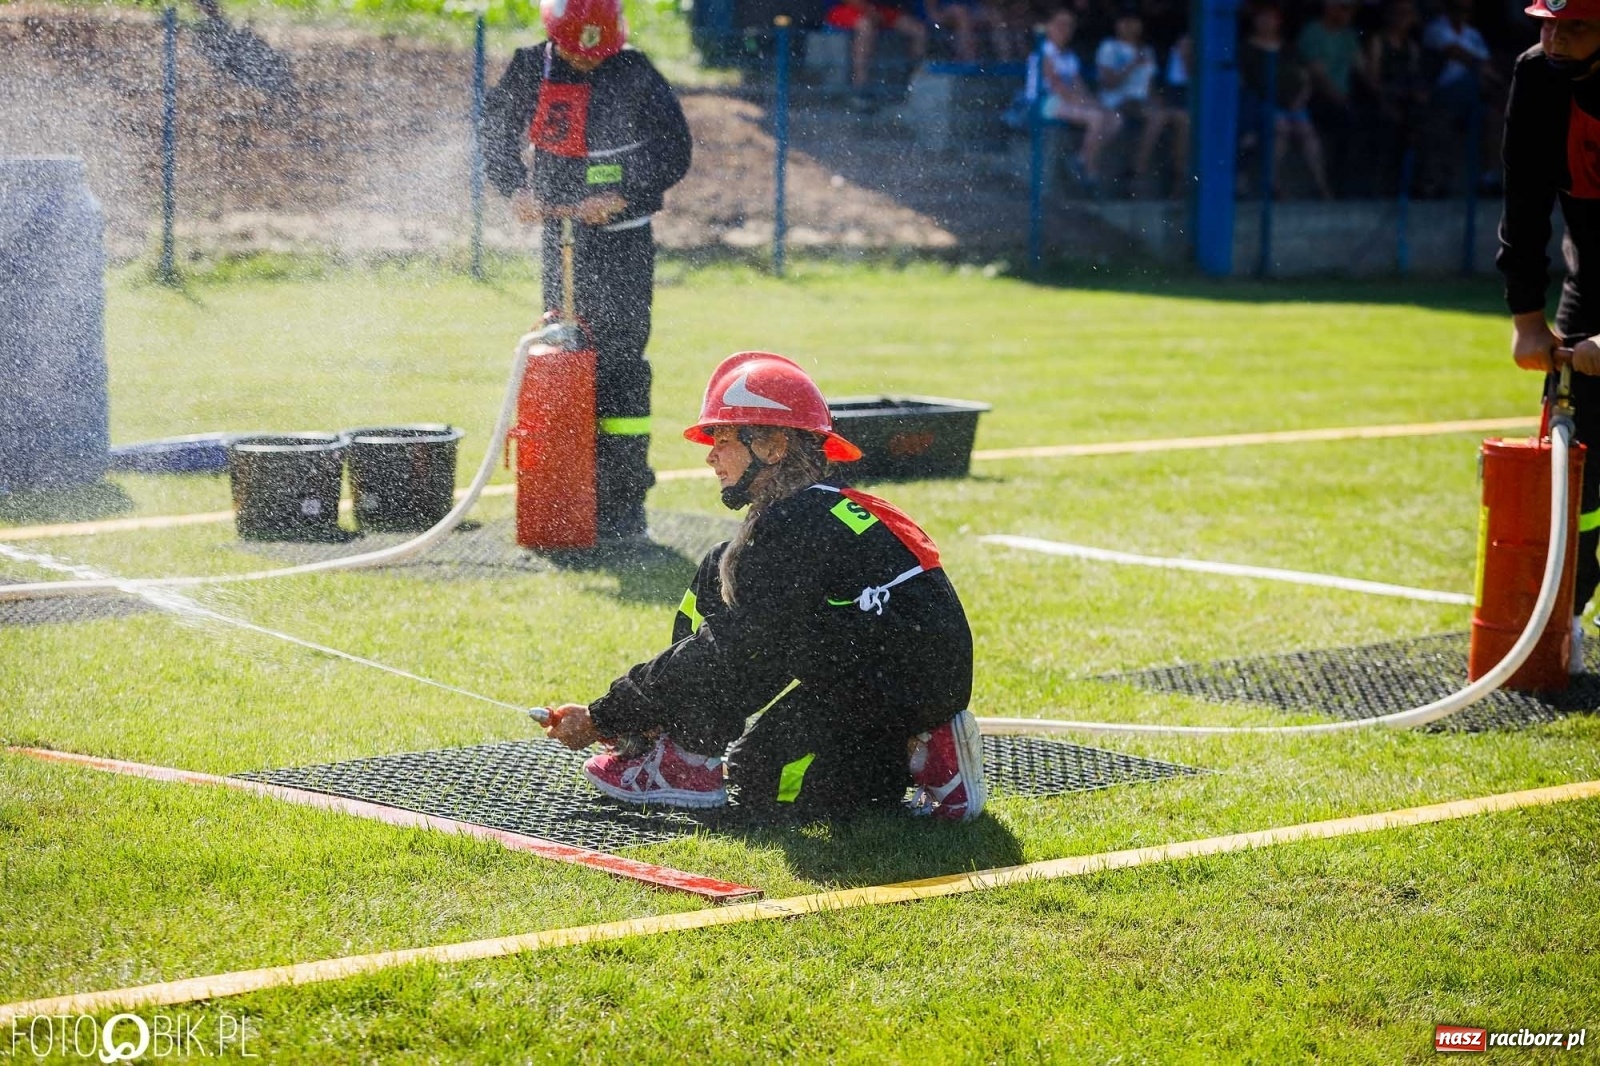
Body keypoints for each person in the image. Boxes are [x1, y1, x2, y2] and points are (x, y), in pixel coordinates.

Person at [540, 351, 985, 821]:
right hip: (893, 676)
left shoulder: (790, 532)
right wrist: (649, 716)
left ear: (774, 448)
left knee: (760, 778)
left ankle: (921, 752)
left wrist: (605, 715)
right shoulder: (818, 514)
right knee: (721, 568)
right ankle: (916, 750)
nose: (711, 454)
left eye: (725, 437)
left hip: (894, 688)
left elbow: (729, 651)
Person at [482, 0, 691, 543]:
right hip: (561, 243)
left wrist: (623, 196)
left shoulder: (636, 72)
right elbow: (493, 138)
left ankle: (623, 504)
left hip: (623, 244)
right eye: (577, 51)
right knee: (566, 359)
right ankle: (565, 494)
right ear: (555, 36)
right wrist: (515, 190)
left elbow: (674, 151)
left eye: (597, 52)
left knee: (621, 364)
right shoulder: (530, 68)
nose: (588, 61)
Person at [1497, 0, 1600, 671]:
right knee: (1577, 469)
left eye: (1576, 28)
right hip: (1589, 279)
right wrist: (1527, 315)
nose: (1555, 40)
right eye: (1546, 24)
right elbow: (1524, 196)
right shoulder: (1536, 75)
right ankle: (1568, 611)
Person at [1239, 1, 1332, 200]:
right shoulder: (1246, 49)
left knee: (1308, 133)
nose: (1266, 22)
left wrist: (1301, 99)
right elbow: (1244, 85)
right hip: (1264, 104)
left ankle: (1321, 186)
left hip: (1294, 104)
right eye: (1261, 18)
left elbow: (1305, 77)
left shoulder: (1289, 48)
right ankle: (1272, 183)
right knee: (1281, 129)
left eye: (1271, 18)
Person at [1094, 8, 1189, 195]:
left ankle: (1179, 177)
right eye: (1125, 22)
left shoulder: (1147, 51)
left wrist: (1159, 100)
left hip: (1143, 102)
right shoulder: (1109, 47)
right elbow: (1108, 83)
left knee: (1182, 117)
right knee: (1156, 117)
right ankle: (1136, 172)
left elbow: (1150, 86)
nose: (1130, 27)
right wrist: (1132, 64)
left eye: (1134, 22)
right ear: (1118, 25)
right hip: (1117, 100)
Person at [1033, 8, 1123, 193]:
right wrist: (1085, 104)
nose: (1064, 29)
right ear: (1049, 27)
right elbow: (1057, 86)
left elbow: (1078, 86)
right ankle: (1089, 169)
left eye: (1069, 26)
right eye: (1060, 24)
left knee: (1115, 119)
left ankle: (1082, 158)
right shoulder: (1043, 52)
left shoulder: (1069, 57)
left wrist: (1093, 103)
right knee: (1096, 118)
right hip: (1044, 103)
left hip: (1067, 102)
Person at [1296, 0, 1373, 194]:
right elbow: (1317, 75)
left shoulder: (1349, 35)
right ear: (1329, 6)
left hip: (1344, 99)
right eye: (1345, 7)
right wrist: (1340, 98)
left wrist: (1385, 95)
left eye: (1352, 9)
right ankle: (1340, 186)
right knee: (1348, 120)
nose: (1349, 13)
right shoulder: (1312, 32)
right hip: (1316, 97)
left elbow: (1363, 69)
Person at [825, 0, 929, 109]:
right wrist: (869, 10)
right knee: (865, 26)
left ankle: (913, 79)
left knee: (919, 31)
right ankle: (860, 86)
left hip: (879, 10)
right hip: (846, 8)